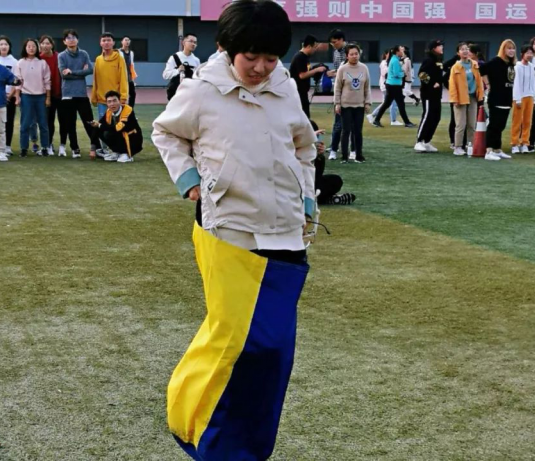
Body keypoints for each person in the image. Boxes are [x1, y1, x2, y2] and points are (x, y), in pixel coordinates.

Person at [152, 2, 315, 458]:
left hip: (286, 232)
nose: (261, 68)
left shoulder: (286, 88)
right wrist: (189, 181)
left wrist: (306, 198)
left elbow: (304, 148)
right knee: (235, 341)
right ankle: (198, 427)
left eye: (271, 58)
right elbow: (166, 133)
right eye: (251, 57)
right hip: (229, 231)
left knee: (273, 351)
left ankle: (247, 446)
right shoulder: (200, 90)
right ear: (226, 48)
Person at [58, 29, 100, 159]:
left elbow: (90, 70)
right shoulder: (61, 56)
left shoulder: (83, 54)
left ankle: (96, 147)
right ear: (64, 41)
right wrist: (81, 72)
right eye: (68, 38)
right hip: (67, 94)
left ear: (78, 40)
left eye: (74, 37)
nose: (71, 40)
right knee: (70, 123)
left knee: (89, 122)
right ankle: (75, 148)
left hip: (81, 94)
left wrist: (72, 72)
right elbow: (63, 75)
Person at [91, 32, 128, 160]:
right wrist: (94, 96)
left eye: (108, 40)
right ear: (100, 43)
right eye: (104, 40)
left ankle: (120, 150)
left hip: (115, 101)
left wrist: (123, 97)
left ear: (113, 43)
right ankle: (106, 150)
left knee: (117, 125)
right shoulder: (98, 59)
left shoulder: (119, 58)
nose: (106, 42)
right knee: (103, 126)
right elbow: (95, 79)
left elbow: (123, 78)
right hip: (102, 100)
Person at [334, 43, 371, 164]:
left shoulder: (364, 68)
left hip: (359, 105)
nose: (355, 56)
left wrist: (367, 102)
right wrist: (337, 103)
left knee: (358, 131)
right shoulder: (342, 69)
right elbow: (337, 87)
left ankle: (358, 155)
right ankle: (344, 156)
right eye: (352, 54)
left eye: (356, 54)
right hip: (346, 105)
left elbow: (367, 87)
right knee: (346, 131)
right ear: (347, 56)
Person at [481, 39, 516, 161]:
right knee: (494, 125)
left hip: (507, 98)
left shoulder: (511, 64)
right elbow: (482, 69)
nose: (511, 51)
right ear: (503, 49)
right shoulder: (496, 61)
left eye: (513, 48)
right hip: (496, 98)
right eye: (509, 48)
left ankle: (497, 149)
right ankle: (488, 151)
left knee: (501, 125)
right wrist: (488, 84)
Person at [15, 38, 51, 157]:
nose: (31, 48)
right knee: (25, 124)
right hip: (26, 96)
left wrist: (48, 97)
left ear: (37, 48)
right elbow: (18, 82)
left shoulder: (42, 63)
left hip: (41, 96)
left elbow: (47, 81)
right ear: (25, 48)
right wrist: (17, 97)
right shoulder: (20, 63)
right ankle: (24, 148)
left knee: (43, 123)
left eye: (33, 46)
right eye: (29, 46)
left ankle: (45, 147)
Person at [448, 42, 484, 156]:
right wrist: (454, 99)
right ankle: (458, 146)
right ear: (458, 53)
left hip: (473, 97)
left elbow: (479, 81)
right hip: (460, 98)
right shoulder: (456, 67)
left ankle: (471, 145)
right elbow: (452, 84)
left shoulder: (474, 64)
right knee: (460, 124)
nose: (465, 51)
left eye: (467, 49)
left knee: (472, 124)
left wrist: (481, 95)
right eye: (462, 49)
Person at [309, 120, 355, 205]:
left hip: (311, 183)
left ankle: (322, 198)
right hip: (296, 184)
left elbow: (317, 176)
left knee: (335, 180)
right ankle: (324, 199)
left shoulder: (311, 149)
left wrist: (319, 156)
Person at [90, 90, 142, 163]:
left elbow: (118, 128)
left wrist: (99, 125)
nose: (112, 104)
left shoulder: (128, 110)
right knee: (101, 130)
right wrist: (92, 149)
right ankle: (117, 152)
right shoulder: (109, 111)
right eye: (109, 102)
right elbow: (98, 126)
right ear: (107, 104)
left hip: (133, 139)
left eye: (114, 101)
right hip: (120, 136)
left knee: (113, 130)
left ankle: (127, 154)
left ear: (120, 101)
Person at [371, 45, 415, 128]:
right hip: (394, 85)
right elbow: (396, 74)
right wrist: (403, 73)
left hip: (392, 85)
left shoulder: (395, 59)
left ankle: (376, 120)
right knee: (400, 104)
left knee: (387, 104)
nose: (403, 52)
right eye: (401, 50)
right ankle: (407, 122)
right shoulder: (395, 61)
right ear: (397, 52)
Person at [414, 40, 445, 153]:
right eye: (439, 46)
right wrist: (432, 83)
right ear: (433, 48)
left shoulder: (438, 60)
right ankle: (419, 141)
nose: (441, 47)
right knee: (427, 116)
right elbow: (421, 74)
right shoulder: (428, 60)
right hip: (428, 94)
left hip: (437, 94)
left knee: (436, 117)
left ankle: (427, 141)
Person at [289, 35, 326, 118]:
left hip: (303, 92)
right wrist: (317, 70)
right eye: (314, 47)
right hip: (298, 93)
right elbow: (302, 75)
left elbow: (307, 72)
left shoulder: (305, 58)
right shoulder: (300, 57)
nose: (315, 50)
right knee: (304, 117)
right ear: (309, 46)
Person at [39, 35, 65, 156]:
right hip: (46, 95)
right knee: (48, 121)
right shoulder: (38, 59)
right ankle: (48, 144)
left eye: (47, 43)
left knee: (63, 121)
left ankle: (62, 146)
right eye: (43, 43)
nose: (45, 46)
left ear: (52, 45)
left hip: (61, 93)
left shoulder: (59, 56)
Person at [0, 35, 19, 156]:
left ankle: (7, 145)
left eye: (6, 44)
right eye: (1, 44)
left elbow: (16, 80)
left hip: (9, 97)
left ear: (9, 46)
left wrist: (10, 95)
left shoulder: (14, 62)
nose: (3, 46)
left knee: (8, 121)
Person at [511, 45, 535, 154]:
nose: (529, 55)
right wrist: (517, 99)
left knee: (527, 121)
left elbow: (533, 83)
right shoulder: (517, 67)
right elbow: (516, 83)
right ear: (522, 54)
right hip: (519, 97)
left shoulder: (532, 66)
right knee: (517, 121)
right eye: (527, 53)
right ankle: (514, 143)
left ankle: (525, 143)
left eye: (531, 53)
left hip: (530, 96)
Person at [326, 29, 347, 159]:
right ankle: (334, 146)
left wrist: (334, 73)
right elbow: (338, 69)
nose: (333, 45)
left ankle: (351, 149)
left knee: (347, 122)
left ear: (341, 40)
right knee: (337, 119)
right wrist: (333, 72)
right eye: (332, 43)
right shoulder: (335, 52)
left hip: (349, 91)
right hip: (338, 89)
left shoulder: (350, 51)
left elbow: (348, 70)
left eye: (335, 42)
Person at [163, 33, 200, 101]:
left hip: (190, 93)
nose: (193, 44)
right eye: (191, 41)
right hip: (175, 93)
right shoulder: (174, 57)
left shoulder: (196, 60)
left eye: (195, 42)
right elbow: (165, 75)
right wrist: (178, 70)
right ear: (183, 43)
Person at [368, 49, 398, 127]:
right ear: (385, 55)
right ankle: (392, 120)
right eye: (389, 54)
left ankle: (373, 115)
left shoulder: (390, 62)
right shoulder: (384, 63)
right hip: (385, 86)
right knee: (389, 103)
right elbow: (384, 73)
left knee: (388, 102)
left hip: (389, 85)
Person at [443, 47, 460, 149]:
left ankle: (466, 142)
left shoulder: (472, 64)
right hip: (456, 96)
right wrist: (452, 89)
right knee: (455, 118)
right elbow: (444, 78)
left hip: (469, 96)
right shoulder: (455, 64)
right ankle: (453, 141)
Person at [119, 36, 138, 107]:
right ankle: (119, 110)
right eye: (125, 40)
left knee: (132, 94)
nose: (127, 42)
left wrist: (133, 78)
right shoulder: (118, 52)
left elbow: (132, 65)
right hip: (121, 77)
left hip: (129, 77)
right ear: (122, 42)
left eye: (128, 40)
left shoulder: (131, 53)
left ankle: (130, 110)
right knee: (121, 95)